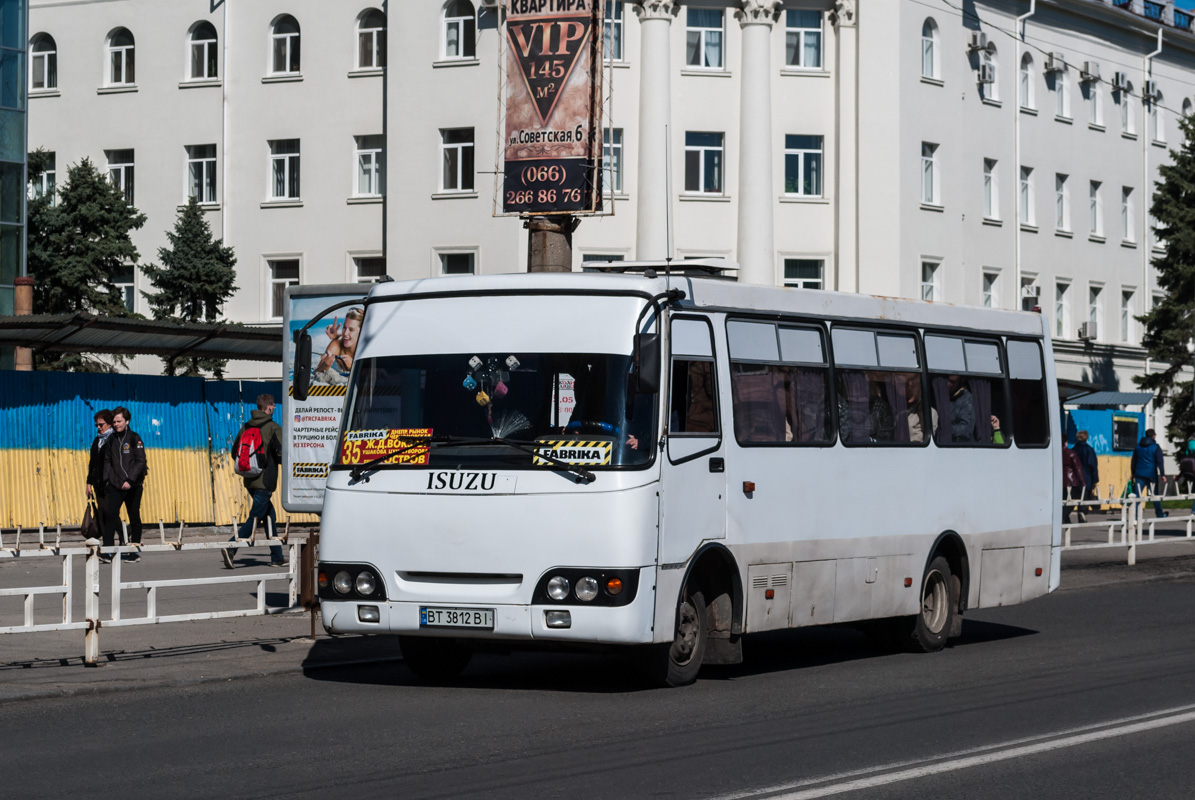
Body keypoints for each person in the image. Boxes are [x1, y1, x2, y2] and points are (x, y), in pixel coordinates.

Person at [224, 394, 285, 568]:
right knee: (255, 517)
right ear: (269, 407)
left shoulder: (245, 427)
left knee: (269, 516)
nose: (274, 408)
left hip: (250, 480)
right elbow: (281, 453)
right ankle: (231, 546)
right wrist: (273, 462)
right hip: (265, 481)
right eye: (273, 406)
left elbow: (235, 452)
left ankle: (277, 557)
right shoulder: (273, 427)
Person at [103, 406, 147, 561]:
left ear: (127, 421)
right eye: (114, 422)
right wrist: (106, 480)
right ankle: (107, 551)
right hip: (115, 485)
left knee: (134, 516)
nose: (116, 424)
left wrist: (130, 480)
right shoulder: (111, 439)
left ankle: (133, 551)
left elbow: (141, 462)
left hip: (133, 486)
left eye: (119, 421)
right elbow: (107, 461)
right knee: (110, 516)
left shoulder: (135, 438)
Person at [87, 409, 115, 560]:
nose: (98, 427)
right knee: (105, 514)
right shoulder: (98, 440)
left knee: (108, 513)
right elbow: (93, 463)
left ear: (109, 423)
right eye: (96, 425)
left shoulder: (114, 439)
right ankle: (117, 542)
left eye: (101, 424)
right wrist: (89, 482)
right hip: (98, 483)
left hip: (110, 484)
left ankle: (111, 547)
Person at [314, 307, 363, 385]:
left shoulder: (366, 348)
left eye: (351, 329)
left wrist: (354, 366)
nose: (345, 333)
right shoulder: (335, 346)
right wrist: (325, 366)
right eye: (344, 328)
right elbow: (315, 373)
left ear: (361, 332)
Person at [1130, 428, 1167, 518]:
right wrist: (1162, 475)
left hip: (1139, 474)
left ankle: (1135, 516)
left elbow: (1133, 461)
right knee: (1155, 495)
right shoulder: (1156, 447)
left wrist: (1133, 473)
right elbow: (1160, 462)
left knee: (1137, 496)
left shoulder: (1138, 447)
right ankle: (1159, 514)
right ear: (1153, 436)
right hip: (1151, 475)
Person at [1072, 430, 1099, 522]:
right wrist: (1095, 479)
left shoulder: (1073, 449)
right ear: (1086, 438)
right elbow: (1093, 465)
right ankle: (1082, 512)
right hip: (1086, 477)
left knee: (1075, 495)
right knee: (1085, 495)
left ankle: (1076, 513)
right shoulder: (1089, 450)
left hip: (1075, 478)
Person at [946, 375, 976, 442]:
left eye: (952, 382)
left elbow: (967, 429)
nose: (947, 384)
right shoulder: (941, 396)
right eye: (946, 380)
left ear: (960, 382)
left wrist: (946, 429)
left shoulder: (967, 399)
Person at [1062, 443, 1085, 523]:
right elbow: (1078, 469)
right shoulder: (1071, 453)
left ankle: (1065, 519)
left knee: (1064, 501)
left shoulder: (1057, 453)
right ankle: (1064, 517)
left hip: (1062, 482)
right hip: (1072, 482)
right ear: (1065, 443)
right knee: (1073, 501)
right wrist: (1083, 482)